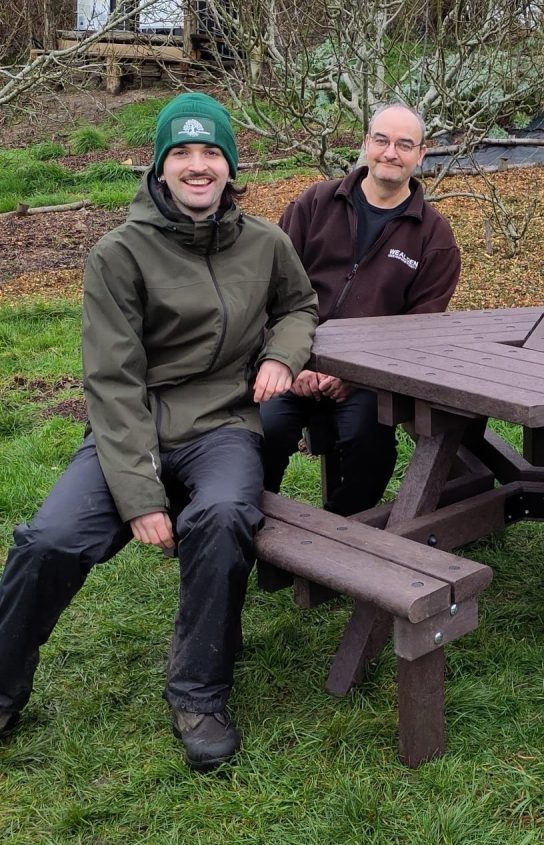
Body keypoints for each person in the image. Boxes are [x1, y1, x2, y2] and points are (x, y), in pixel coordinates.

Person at [0, 93, 318, 771]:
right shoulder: (119, 253)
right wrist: (142, 496)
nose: (198, 165)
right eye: (182, 153)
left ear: (230, 166)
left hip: (223, 424)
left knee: (224, 517)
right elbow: (112, 381)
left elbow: (299, 305)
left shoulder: (266, 242)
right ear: (160, 166)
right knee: (49, 540)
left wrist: (282, 356)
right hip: (132, 425)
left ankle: (199, 694)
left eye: (211, 153)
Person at [261, 103, 461, 515]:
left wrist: (356, 374)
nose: (391, 153)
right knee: (263, 429)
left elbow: (420, 328)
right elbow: (270, 287)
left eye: (404, 145)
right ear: (366, 143)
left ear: (421, 154)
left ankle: (340, 531)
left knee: (369, 446)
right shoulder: (315, 204)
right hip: (292, 358)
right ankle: (251, 520)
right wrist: (290, 360)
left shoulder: (434, 237)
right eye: (382, 140)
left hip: (369, 376)